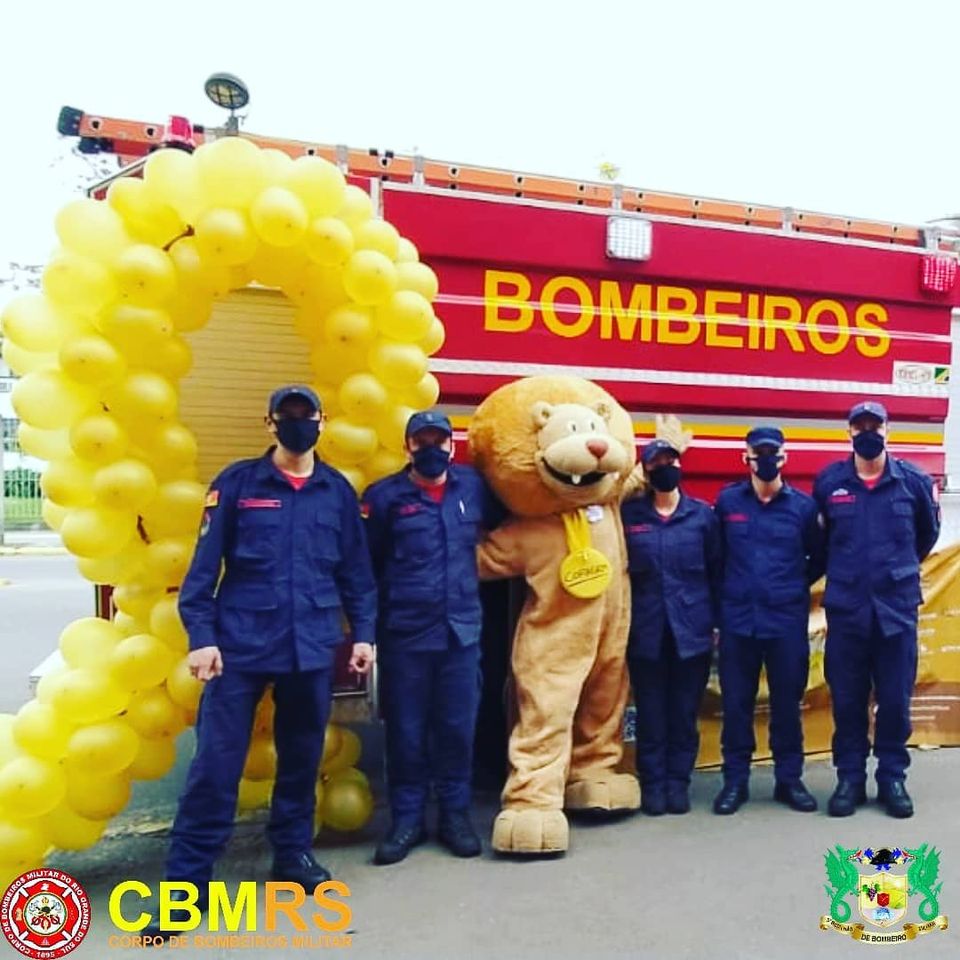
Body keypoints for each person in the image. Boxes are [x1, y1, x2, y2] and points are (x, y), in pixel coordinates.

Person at [144, 385, 376, 936]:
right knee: (214, 770)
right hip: (240, 650)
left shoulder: (336, 491)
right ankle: (186, 891)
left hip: (311, 647)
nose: (299, 425)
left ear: (323, 422)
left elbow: (357, 575)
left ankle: (291, 858)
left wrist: (363, 635)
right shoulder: (237, 484)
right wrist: (201, 638)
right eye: (288, 416)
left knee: (300, 762)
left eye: (308, 416)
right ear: (269, 423)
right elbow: (201, 578)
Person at [361, 410, 503, 864]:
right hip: (405, 636)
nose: (431, 450)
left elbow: (509, 524)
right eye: (421, 442)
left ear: (451, 445)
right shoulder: (383, 498)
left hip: (461, 633)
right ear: (408, 447)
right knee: (405, 732)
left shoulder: (473, 488)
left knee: (457, 730)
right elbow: (368, 565)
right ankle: (406, 821)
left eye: (438, 441)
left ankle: (455, 817)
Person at [813, 401, 940, 819]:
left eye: (876, 425)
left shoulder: (914, 482)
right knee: (847, 701)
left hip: (896, 611)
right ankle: (850, 778)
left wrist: (894, 573)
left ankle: (892, 778)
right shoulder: (830, 483)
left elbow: (926, 535)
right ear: (848, 431)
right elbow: (822, 542)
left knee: (895, 700)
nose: (868, 432)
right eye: (859, 425)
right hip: (848, 612)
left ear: (889, 429)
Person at [712, 426, 825, 815]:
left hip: (785, 623)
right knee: (737, 705)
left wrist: (792, 586)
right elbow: (716, 560)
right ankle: (735, 782)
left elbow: (819, 557)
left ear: (784, 457)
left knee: (786, 705)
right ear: (746, 457)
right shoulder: (727, 503)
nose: (765, 460)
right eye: (757, 453)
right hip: (738, 623)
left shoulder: (804, 508)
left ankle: (789, 780)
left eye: (772, 453)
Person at [621, 438, 721, 815]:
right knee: (649, 711)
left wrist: (717, 624)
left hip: (691, 631)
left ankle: (678, 781)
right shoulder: (630, 516)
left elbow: (717, 571)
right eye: (657, 462)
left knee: (683, 711)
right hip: (645, 630)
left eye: (671, 460)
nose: (666, 467)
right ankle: (653, 783)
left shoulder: (701, 516)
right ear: (645, 471)